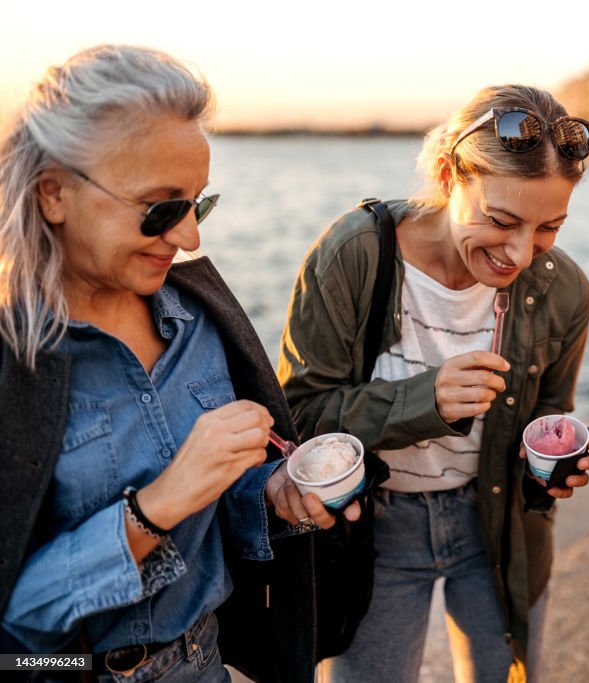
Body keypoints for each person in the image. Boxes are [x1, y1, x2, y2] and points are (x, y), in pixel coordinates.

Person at [0, 45, 358, 681]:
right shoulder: (13, 359)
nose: (191, 237)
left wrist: (274, 492)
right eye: (161, 209)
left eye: (200, 204)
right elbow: (13, 629)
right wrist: (153, 509)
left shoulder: (197, 314)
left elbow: (217, 499)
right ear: (54, 194)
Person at [277, 84, 589, 682]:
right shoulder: (355, 253)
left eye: (548, 227)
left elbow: (548, 416)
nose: (521, 254)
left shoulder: (566, 291)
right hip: (372, 527)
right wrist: (421, 400)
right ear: (451, 176)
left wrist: (557, 468)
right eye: (501, 221)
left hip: (500, 529)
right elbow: (297, 419)